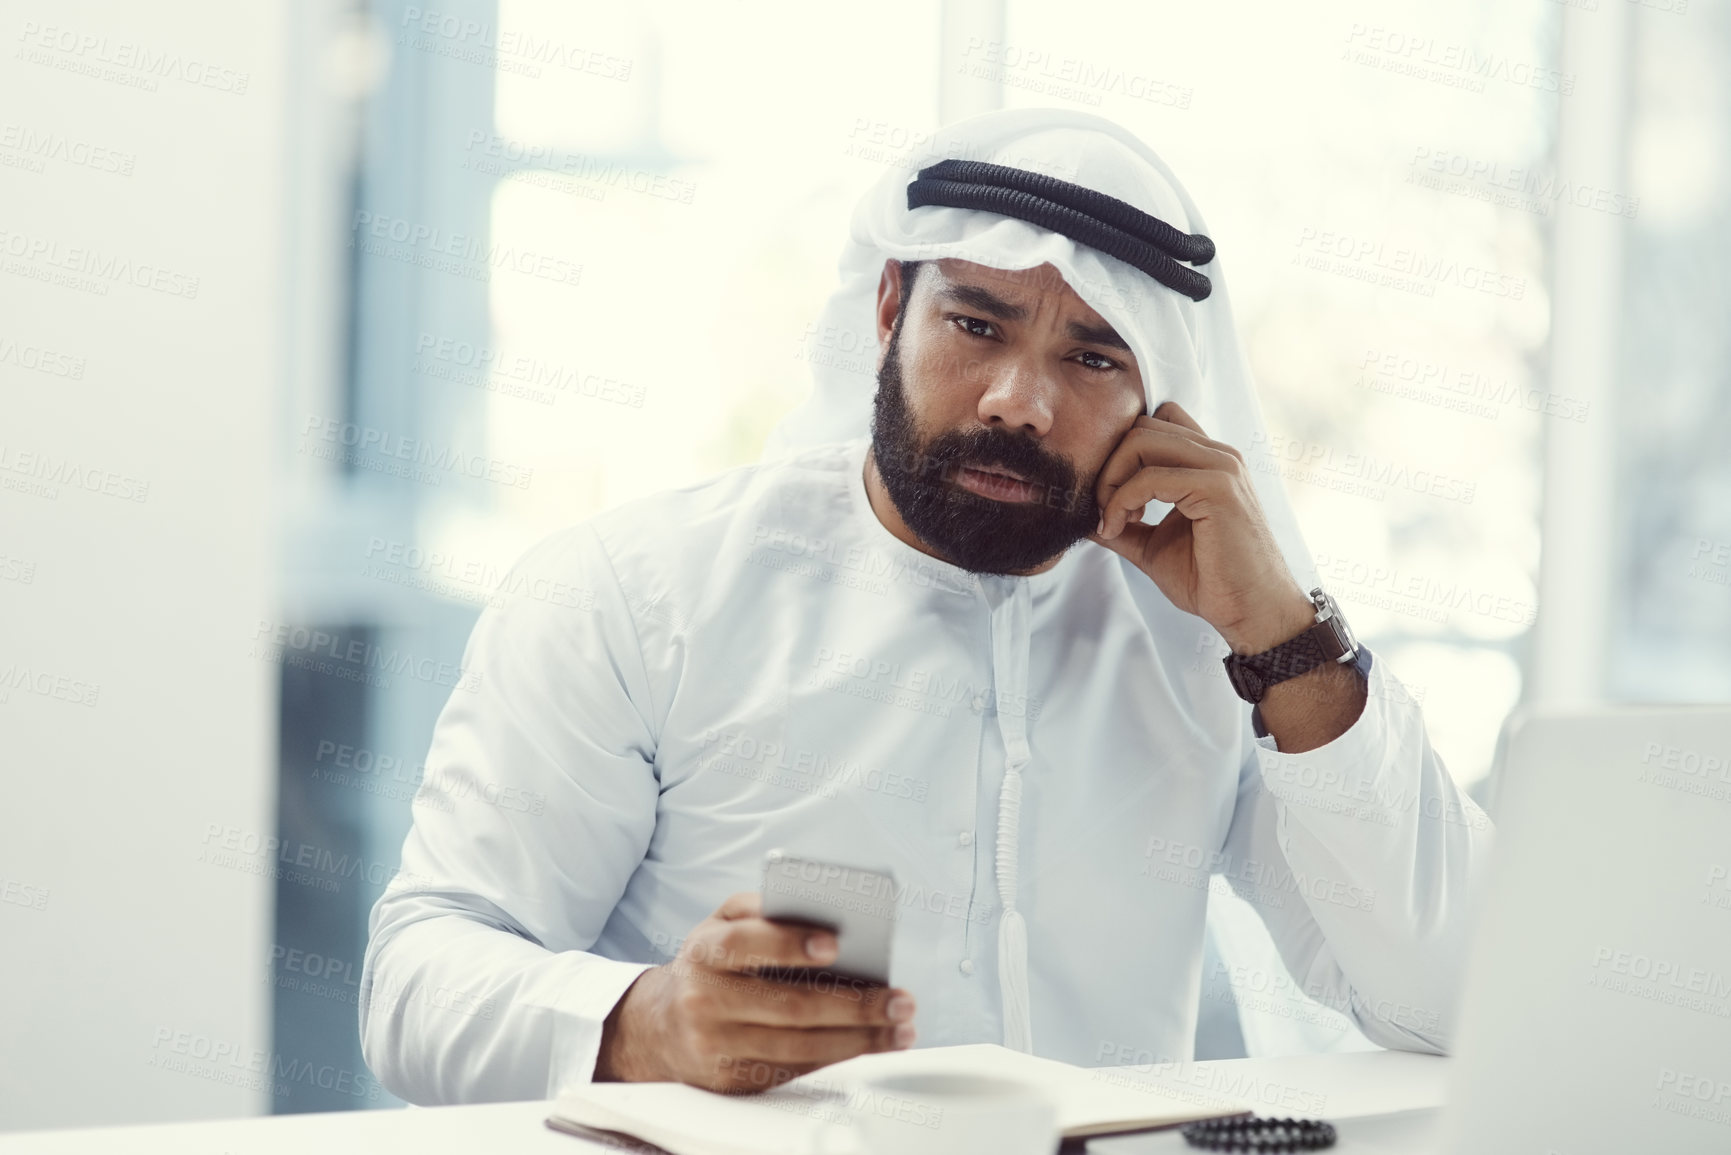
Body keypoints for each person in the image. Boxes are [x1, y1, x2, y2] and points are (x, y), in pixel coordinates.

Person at [359, 107, 1492, 1104]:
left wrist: (1289, 642)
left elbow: (1455, 1003)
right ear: (892, 303)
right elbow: (417, 983)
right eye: (978, 326)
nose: (1020, 401)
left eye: (1093, 359)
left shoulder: (1219, 652)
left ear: (1160, 398)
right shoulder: (630, 592)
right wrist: (643, 1024)